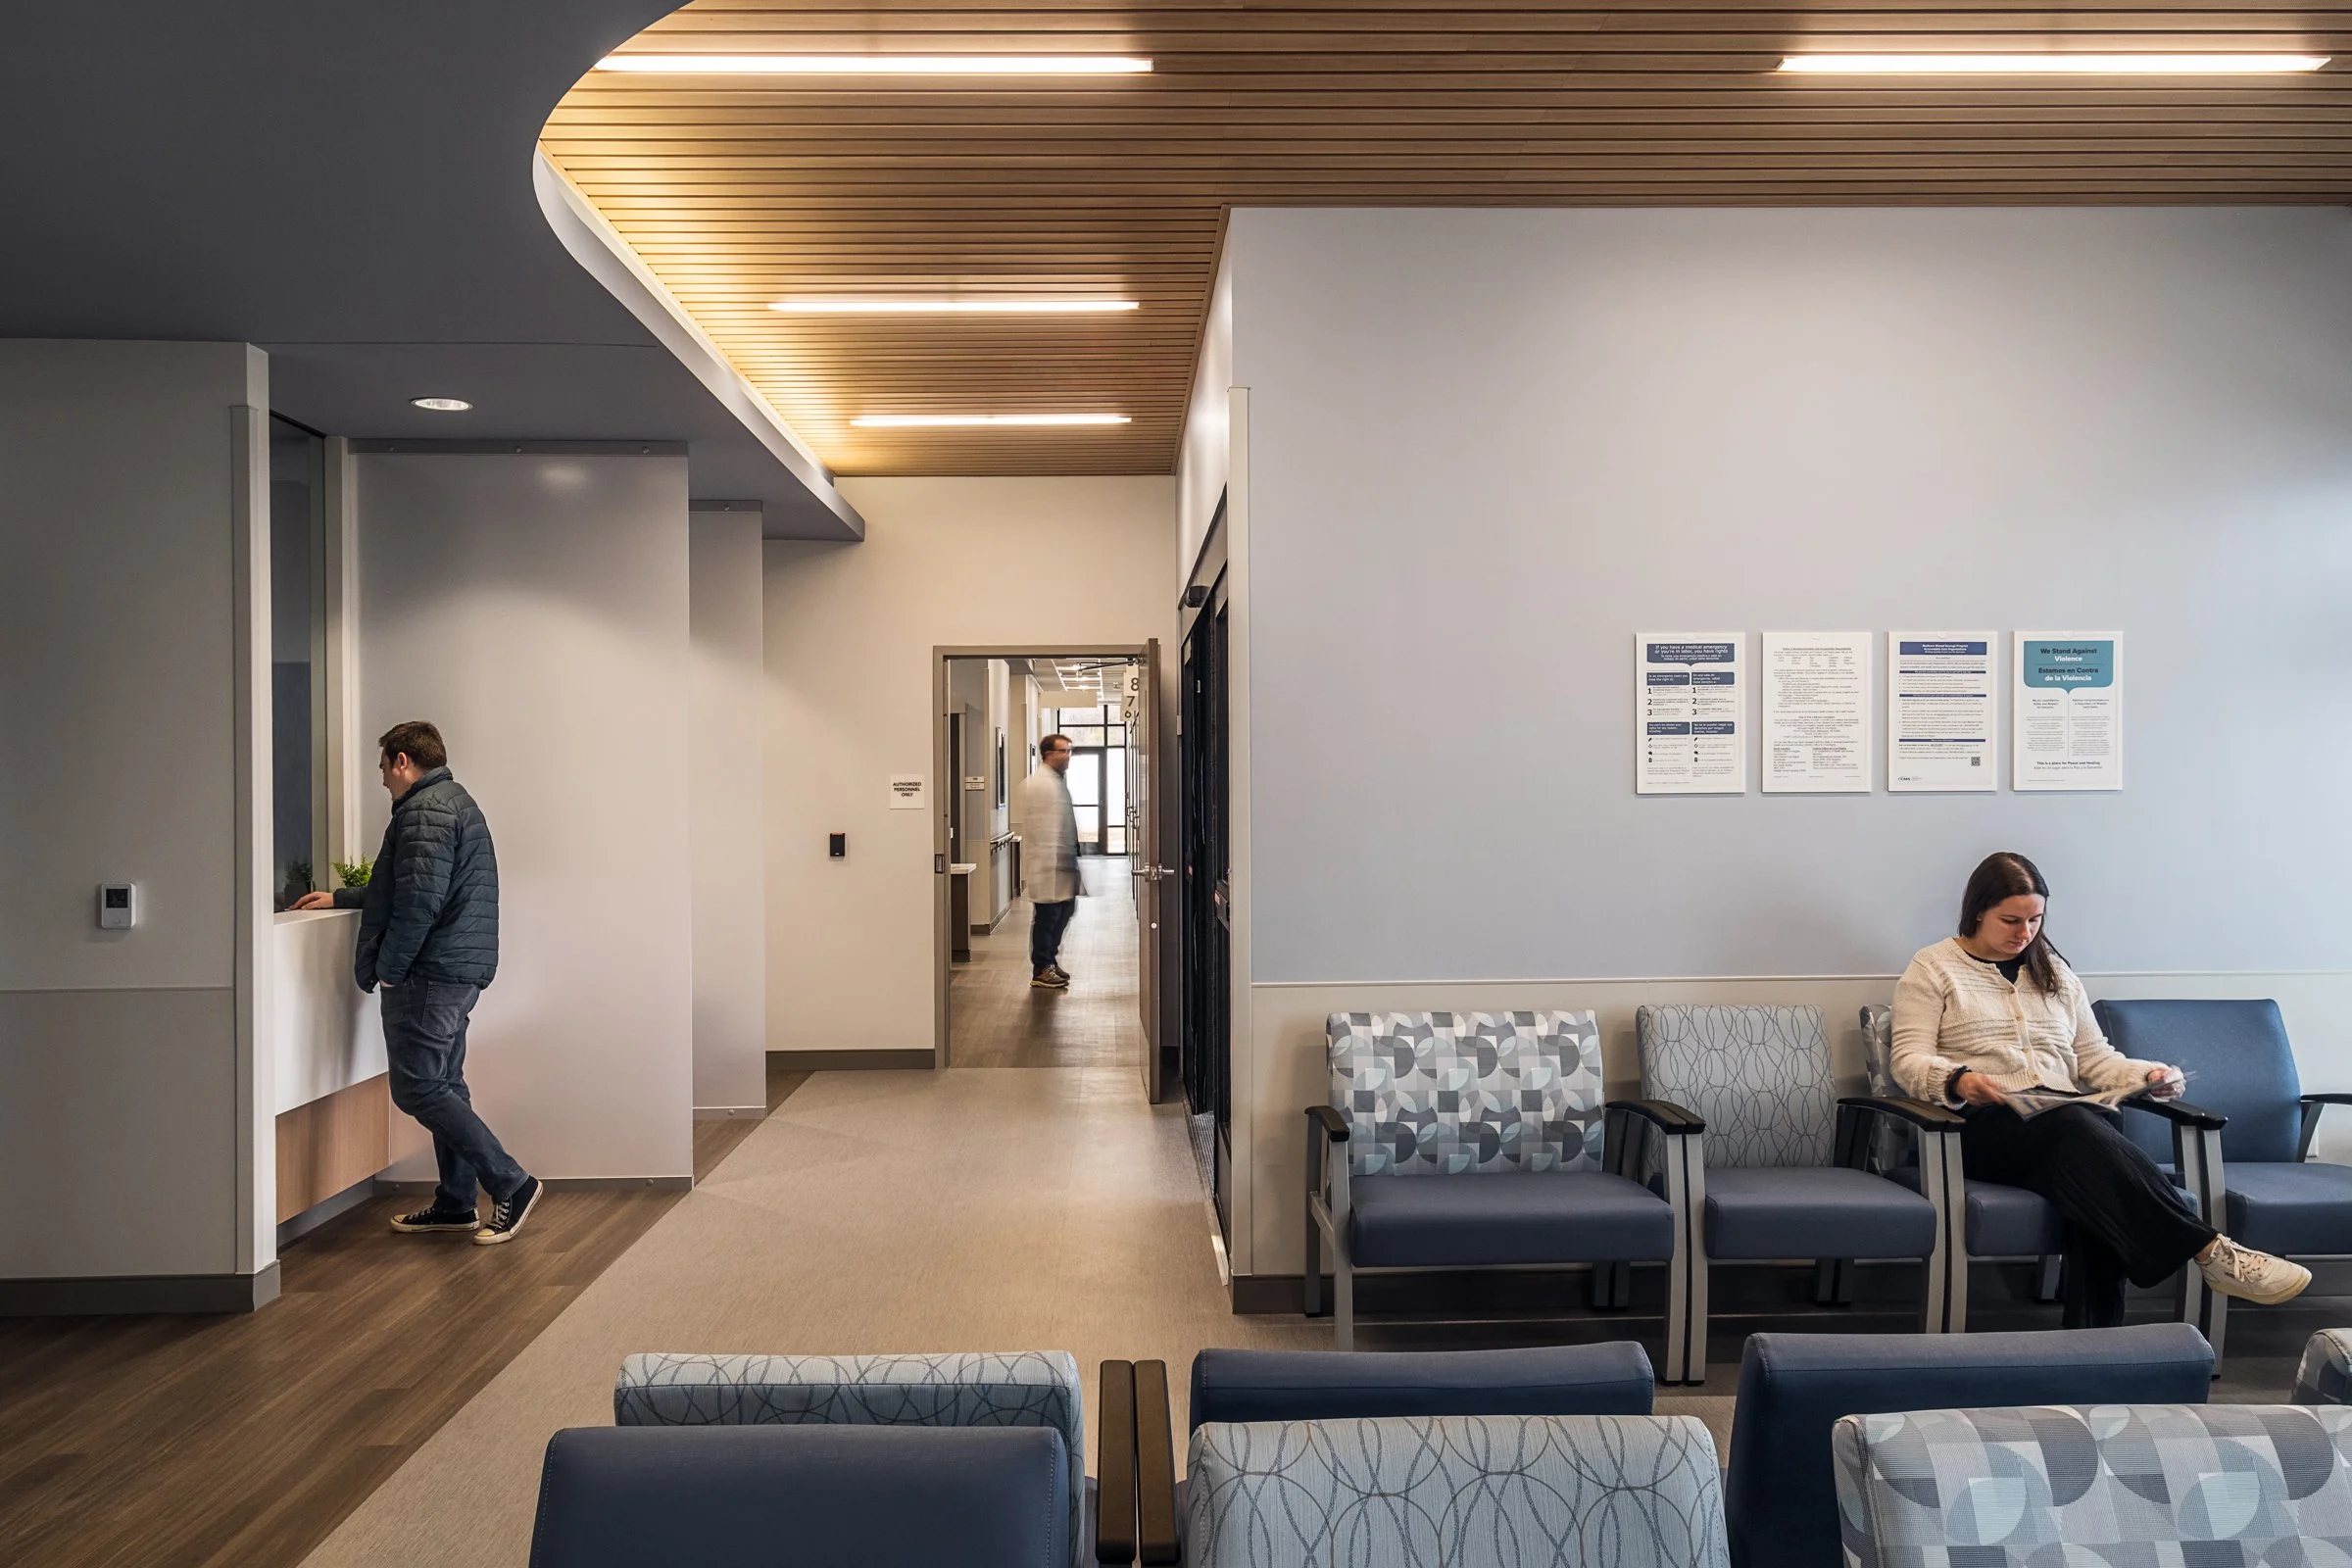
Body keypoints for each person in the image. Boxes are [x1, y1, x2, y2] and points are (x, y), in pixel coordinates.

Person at [1890, 850, 2306, 1326]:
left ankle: (2094, 1345)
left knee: (2089, 1172)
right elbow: (1908, 1059)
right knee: (2082, 1133)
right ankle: (2210, 1250)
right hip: (1982, 1127)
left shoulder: (2055, 971)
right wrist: (1959, 1079)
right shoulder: (1933, 967)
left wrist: (2147, 1077)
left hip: (2068, 1126)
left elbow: (2093, 1058)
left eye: (2035, 920)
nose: (2024, 933)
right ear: (1978, 910)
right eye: (2010, 920)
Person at [293, 721, 541, 1244]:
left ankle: (511, 1183)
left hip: (430, 974)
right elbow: (411, 886)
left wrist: (388, 971)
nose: (382, 779)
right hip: (454, 970)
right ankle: (455, 1203)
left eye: (383, 768)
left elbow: (417, 905)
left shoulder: (425, 812)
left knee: (419, 1087)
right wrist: (341, 898)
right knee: (445, 1084)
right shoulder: (452, 802)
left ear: (402, 760)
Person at [1017, 733, 1083, 990]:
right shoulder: (1040, 784)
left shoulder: (1055, 781)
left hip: (1061, 863)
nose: (1068, 755)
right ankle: (1041, 968)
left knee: (1064, 911)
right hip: (1048, 865)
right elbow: (1044, 830)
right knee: (1048, 917)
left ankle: (1049, 962)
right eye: (1063, 751)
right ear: (1048, 754)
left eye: (1069, 750)